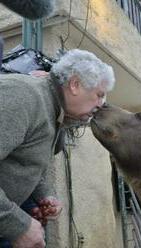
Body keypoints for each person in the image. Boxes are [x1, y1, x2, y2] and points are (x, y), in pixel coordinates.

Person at [0, 49, 115, 248]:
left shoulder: (56, 111)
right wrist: (17, 224)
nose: (101, 105)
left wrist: (45, 194)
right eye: (99, 95)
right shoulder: (22, 98)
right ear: (75, 84)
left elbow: (30, 160)